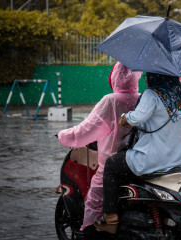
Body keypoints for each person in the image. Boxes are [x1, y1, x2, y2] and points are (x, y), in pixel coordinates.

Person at [94, 72, 181, 234]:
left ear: (156, 76)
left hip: (151, 160)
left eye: (148, 75)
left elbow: (135, 118)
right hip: (177, 160)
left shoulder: (152, 94)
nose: (146, 79)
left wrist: (124, 117)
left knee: (112, 165)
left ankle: (110, 218)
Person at [57, 62, 142, 232]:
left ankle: (90, 231)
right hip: (139, 162)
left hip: (113, 164)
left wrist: (64, 136)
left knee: (94, 200)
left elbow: (87, 129)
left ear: (114, 77)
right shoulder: (142, 99)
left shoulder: (111, 100)